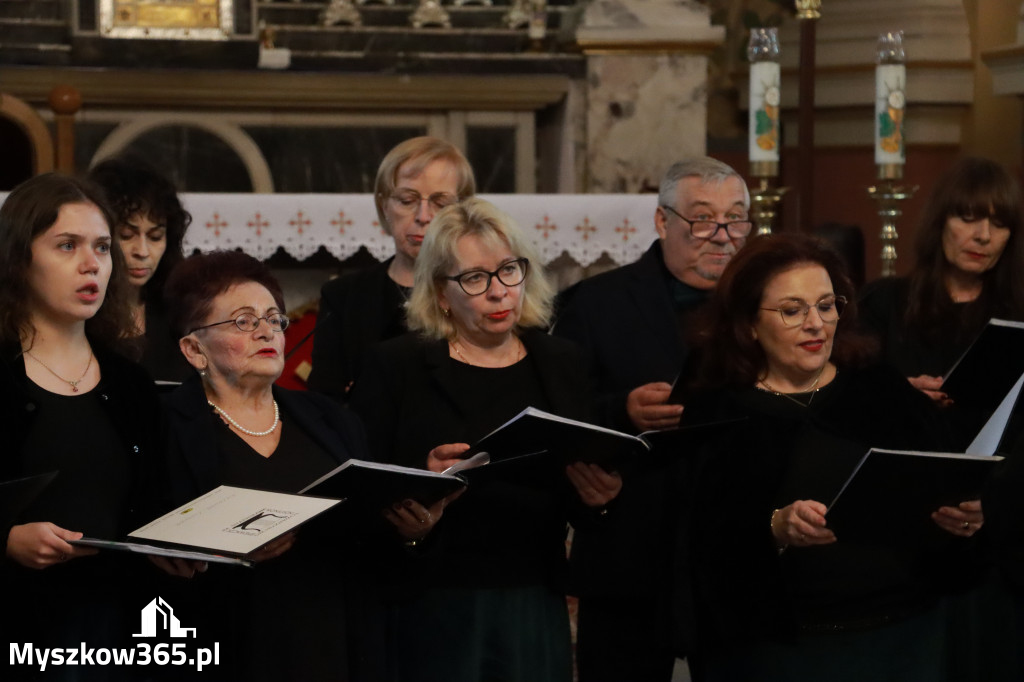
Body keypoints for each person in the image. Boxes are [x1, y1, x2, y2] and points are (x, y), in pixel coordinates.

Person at [675, 233, 984, 681]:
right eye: (792, 310)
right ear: (748, 323)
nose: (816, 324)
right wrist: (774, 527)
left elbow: (942, 486)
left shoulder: (881, 390)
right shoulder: (715, 407)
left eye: (826, 305)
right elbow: (689, 535)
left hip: (901, 637)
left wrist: (965, 517)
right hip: (774, 651)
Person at [349, 198, 620, 682]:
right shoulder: (395, 366)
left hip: (533, 591)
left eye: (509, 271)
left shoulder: (562, 361)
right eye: (475, 278)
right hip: (433, 596)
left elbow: (581, 482)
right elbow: (363, 487)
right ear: (441, 291)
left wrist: (599, 500)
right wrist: (421, 480)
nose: (499, 293)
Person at [160, 250, 450, 681]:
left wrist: (413, 534)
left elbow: (373, 549)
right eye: (243, 321)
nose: (267, 332)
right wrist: (226, 554)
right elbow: (150, 555)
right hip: (228, 645)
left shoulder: (332, 420)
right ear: (194, 349)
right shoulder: (164, 428)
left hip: (336, 643)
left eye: (274, 319)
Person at [552, 156, 750, 682]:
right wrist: (623, 411)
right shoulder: (596, 303)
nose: (723, 236)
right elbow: (557, 413)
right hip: (631, 543)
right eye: (704, 219)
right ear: (663, 222)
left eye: (737, 219)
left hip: (734, 549)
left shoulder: (765, 307)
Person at [0, 173, 162, 677]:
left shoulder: (132, 382)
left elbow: (157, 501)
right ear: (19, 258)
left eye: (101, 247)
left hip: (116, 632)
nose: (92, 264)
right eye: (66, 246)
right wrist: (4, 539)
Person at [308, 136, 476, 400]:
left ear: (463, 209)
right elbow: (324, 398)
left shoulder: (481, 289)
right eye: (407, 200)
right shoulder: (343, 296)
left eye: (440, 203)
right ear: (384, 205)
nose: (423, 216)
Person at [860, 156, 1024, 415]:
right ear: (940, 222)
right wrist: (898, 393)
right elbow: (848, 397)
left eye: (999, 224)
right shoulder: (883, 302)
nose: (984, 236)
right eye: (968, 218)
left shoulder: (1016, 313)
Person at [89, 155, 194, 382]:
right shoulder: (79, 312)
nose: (143, 251)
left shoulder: (179, 312)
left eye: (155, 237)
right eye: (127, 235)